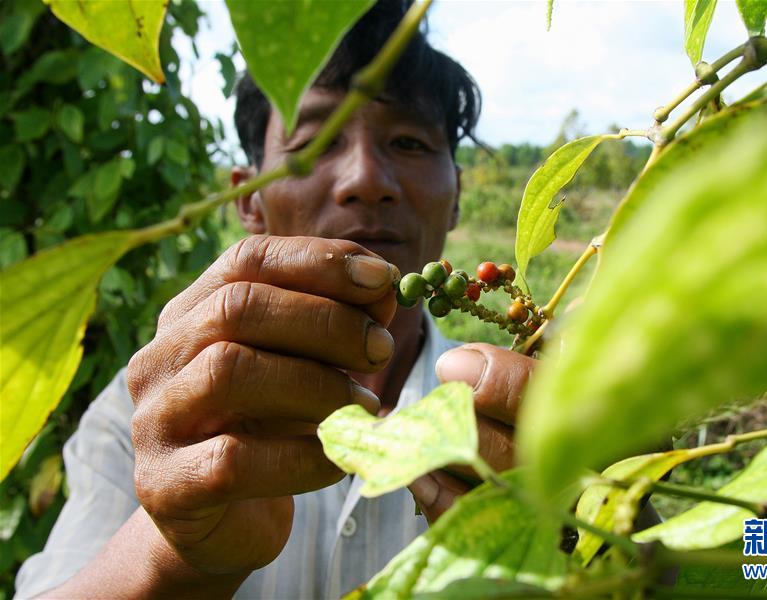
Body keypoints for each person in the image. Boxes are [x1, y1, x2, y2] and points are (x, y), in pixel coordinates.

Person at [15, 1, 531, 598]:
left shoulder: (516, 424)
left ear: (457, 195)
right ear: (247, 202)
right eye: (316, 142)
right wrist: (175, 555)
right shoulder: (155, 420)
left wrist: (581, 534)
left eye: (410, 142)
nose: (365, 178)